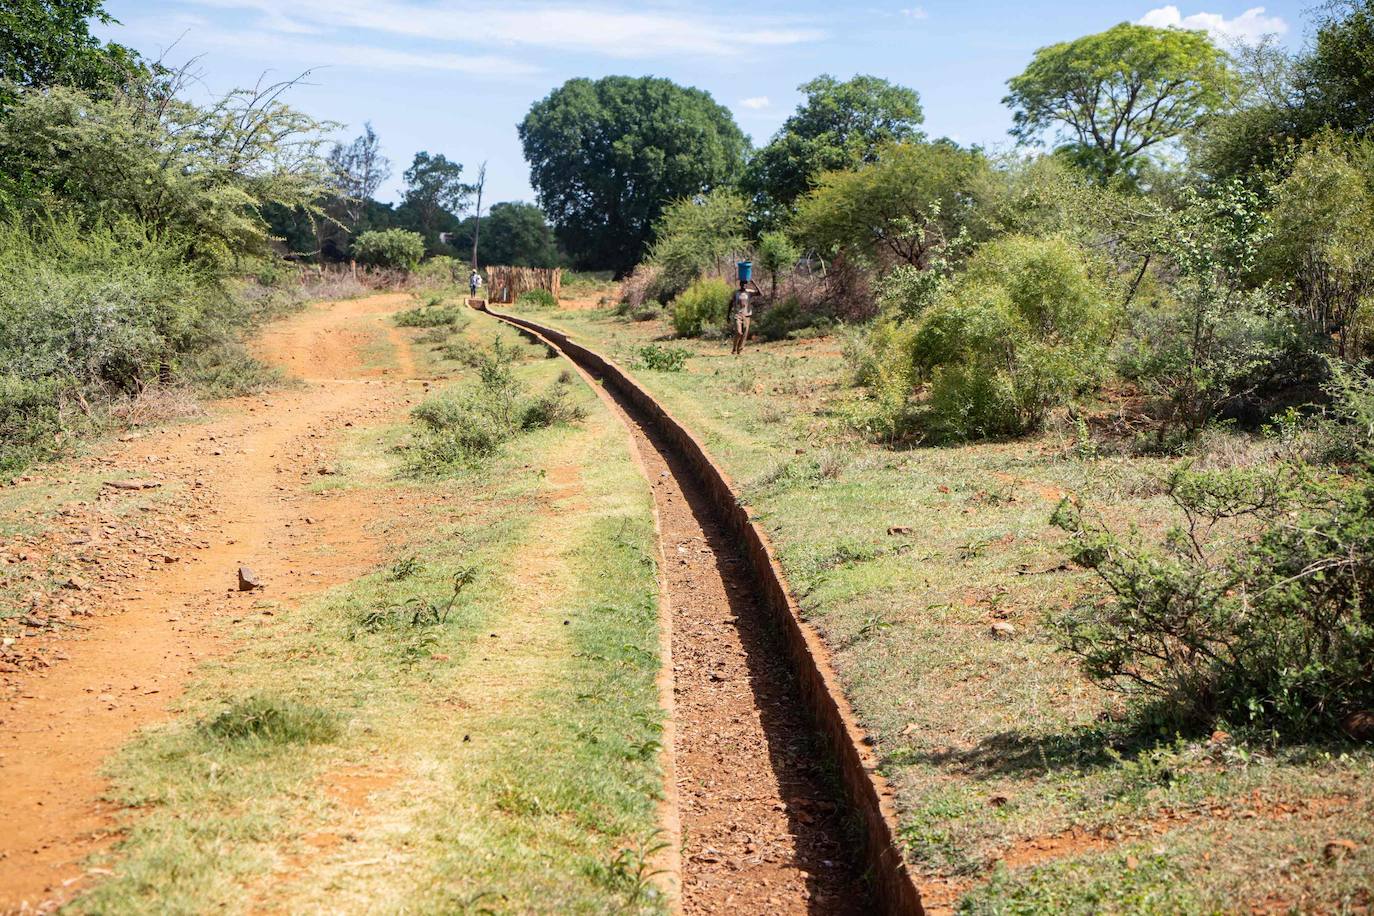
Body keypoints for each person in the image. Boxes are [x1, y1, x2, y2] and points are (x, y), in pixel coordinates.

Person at [729, 279, 758, 356]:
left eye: (745, 284)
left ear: (746, 285)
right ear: (740, 284)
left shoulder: (749, 292)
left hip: (747, 315)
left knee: (744, 334)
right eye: (742, 284)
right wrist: (728, 315)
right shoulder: (736, 293)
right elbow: (731, 303)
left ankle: (739, 350)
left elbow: (760, 293)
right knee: (739, 332)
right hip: (738, 314)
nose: (743, 286)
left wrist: (754, 283)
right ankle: (734, 348)